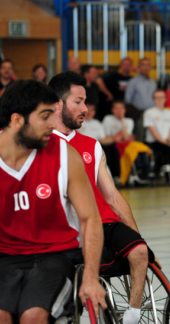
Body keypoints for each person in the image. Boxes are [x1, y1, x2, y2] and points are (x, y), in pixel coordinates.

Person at [49, 72, 154, 324]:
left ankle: (132, 316)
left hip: (104, 223)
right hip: (69, 231)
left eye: (85, 102)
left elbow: (114, 198)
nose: (85, 108)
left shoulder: (92, 145)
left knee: (140, 252)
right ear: (57, 103)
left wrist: (138, 237)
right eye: (78, 102)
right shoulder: (40, 143)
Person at [0, 79, 106, 323]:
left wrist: (90, 277)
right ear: (17, 120)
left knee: (33, 317)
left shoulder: (66, 154)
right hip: (5, 257)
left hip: (55, 256)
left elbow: (90, 219)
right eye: (45, 116)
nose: (52, 125)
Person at [144, 89, 170, 182]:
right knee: (168, 149)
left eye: (162, 97)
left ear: (165, 99)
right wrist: (169, 145)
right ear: (154, 99)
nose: (159, 99)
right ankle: (169, 175)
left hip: (168, 140)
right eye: (157, 97)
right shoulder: (149, 113)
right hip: (154, 142)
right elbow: (155, 134)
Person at [78, 102, 121, 180]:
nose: (89, 112)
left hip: (95, 153)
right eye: (88, 109)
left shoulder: (97, 124)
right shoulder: (77, 122)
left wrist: (114, 139)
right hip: (80, 153)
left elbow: (103, 140)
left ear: (95, 112)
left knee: (105, 172)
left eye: (92, 110)